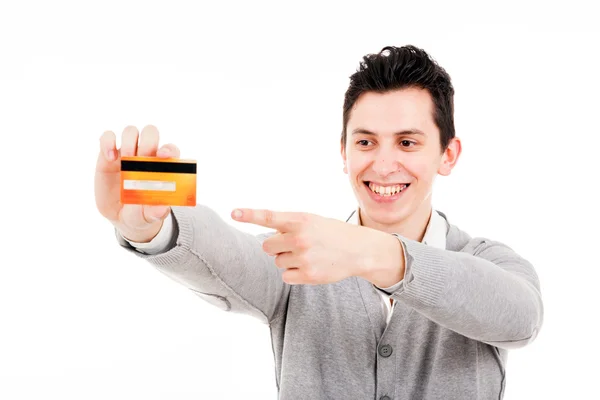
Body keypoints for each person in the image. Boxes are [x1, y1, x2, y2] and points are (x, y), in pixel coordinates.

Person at [94, 45, 544, 400]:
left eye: (407, 142)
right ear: (344, 152)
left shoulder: (488, 260)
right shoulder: (303, 255)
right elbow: (226, 253)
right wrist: (149, 227)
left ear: (448, 155)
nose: (384, 165)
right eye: (365, 141)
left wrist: (372, 253)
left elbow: (520, 317)